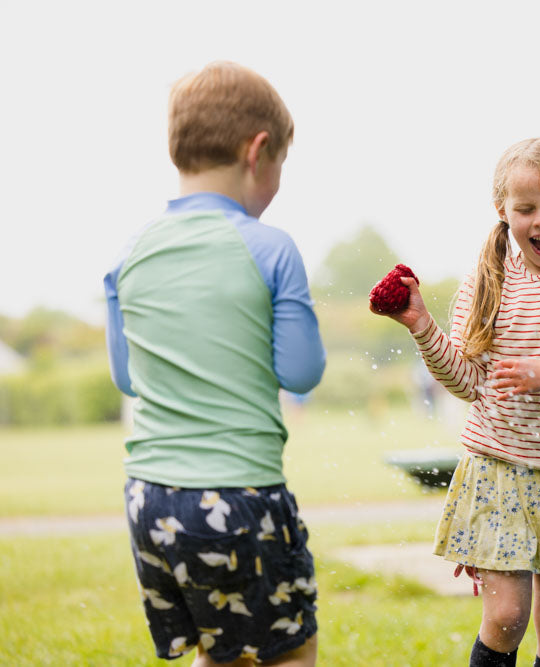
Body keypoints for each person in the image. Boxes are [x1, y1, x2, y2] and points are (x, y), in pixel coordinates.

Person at [372, 138, 540, 667]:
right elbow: (469, 381)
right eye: (526, 209)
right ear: (504, 211)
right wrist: (422, 326)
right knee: (505, 617)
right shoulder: (487, 279)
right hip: (500, 468)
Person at [103, 61, 326, 666]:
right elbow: (301, 372)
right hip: (236, 494)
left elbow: (127, 379)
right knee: (289, 651)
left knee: (220, 649)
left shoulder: (130, 254)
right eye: (282, 163)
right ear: (258, 152)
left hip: (149, 502)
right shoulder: (269, 246)